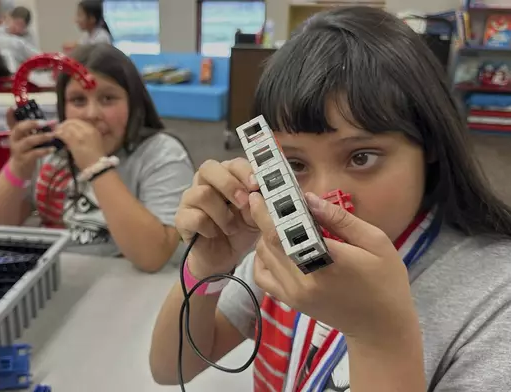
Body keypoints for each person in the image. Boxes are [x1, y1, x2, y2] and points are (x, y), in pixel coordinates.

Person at [149, 6, 511, 391]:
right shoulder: (278, 257)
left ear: (430, 143)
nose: (324, 198)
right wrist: (206, 266)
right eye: (294, 164)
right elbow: (171, 368)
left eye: (361, 157)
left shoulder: (494, 300)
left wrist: (377, 335)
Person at [0, 44, 194, 273]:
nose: (91, 114)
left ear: (133, 104)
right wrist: (17, 168)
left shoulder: (161, 154)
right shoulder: (52, 150)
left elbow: (152, 257)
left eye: (108, 99)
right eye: (78, 101)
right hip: (61, 276)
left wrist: (96, 166)